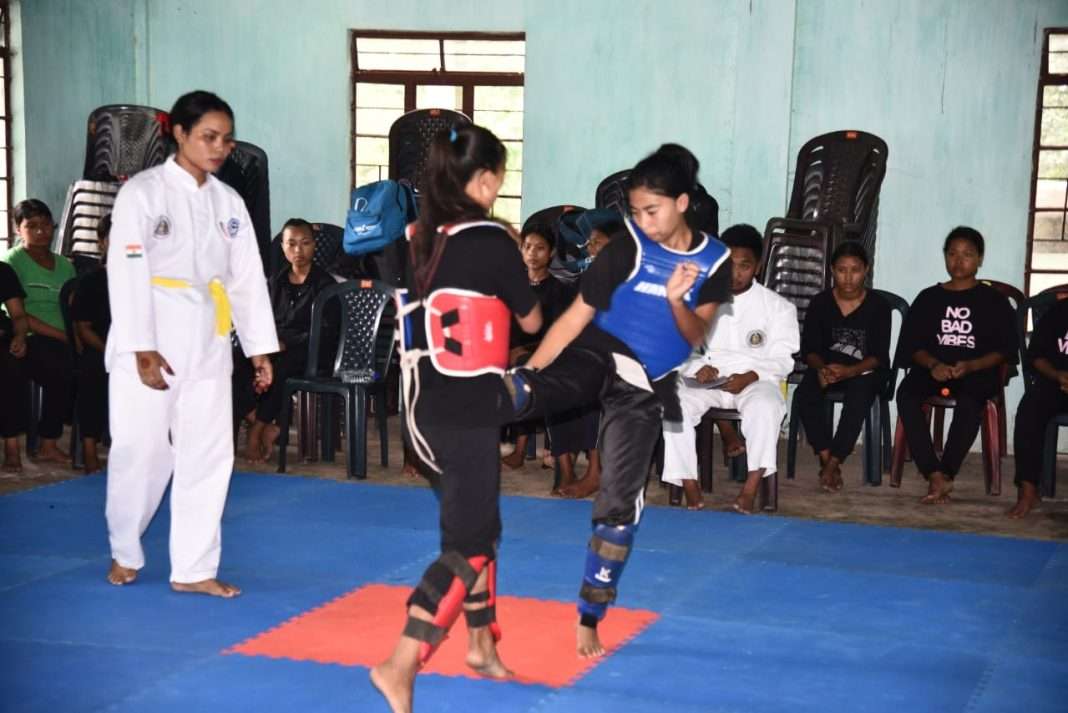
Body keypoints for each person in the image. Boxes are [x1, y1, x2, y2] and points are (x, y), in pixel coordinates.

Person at [506, 144, 731, 658]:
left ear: (682, 202)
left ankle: (590, 612)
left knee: (619, 508)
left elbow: (696, 335)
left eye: (651, 210)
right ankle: (483, 398)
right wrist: (530, 373)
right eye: (635, 211)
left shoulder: (713, 261)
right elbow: (574, 317)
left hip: (646, 383)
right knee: (542, 385)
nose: (642, 220)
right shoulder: (625, 247)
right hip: (598, 353)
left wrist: (677, 298)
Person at [371, 124, 542, 713]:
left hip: (418, 408)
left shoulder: (415, 235)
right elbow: (533, 321)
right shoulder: (490, 239)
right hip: (466, 407)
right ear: (487, 179)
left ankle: (480, 646)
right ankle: (401, 663)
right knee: (470, 542)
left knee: (477, 528)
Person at [104, 90, 278, 597]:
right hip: (153, 325)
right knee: (142, 450)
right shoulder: (143, 192)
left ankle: (194, 567)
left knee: (209, 452)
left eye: (226, 139)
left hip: (207, 331)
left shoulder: (229, 202)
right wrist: (141, 344)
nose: (220, 147)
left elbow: (245, 278)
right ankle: (125, 550)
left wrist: (258, 348)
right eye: (208, 136)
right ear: (178, 134)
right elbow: (128, 269)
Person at [661, 224, 799, 512]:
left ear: (758, 267)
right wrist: (697, 367)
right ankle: (689, 484)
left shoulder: (778, 307)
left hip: (756, 379)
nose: (735, 274)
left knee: (766, 407)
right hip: (707, 381)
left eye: (744, 266)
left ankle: (750, 488)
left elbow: (784, 360)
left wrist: (751, 375)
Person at [894, 226, 1018, 504]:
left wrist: (972, 365)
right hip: (933, 368)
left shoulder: (994, 301)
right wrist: (934, 363)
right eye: (952, 254)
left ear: (980, 259)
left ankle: (947, 471)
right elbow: (911, 347)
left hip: (976, 370)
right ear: (945, 257)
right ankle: (932, 472)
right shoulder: (928, 298)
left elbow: (1005, 350)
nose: (958, 261)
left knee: (971, 401)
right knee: (907, 395)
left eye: (967, 255)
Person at [233, 218, 337, 463]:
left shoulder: (326, 285)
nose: (298, 250)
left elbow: (326, 332)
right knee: (234, 358)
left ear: (314, 245)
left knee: (282, 365)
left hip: (312, 352)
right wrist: (265, 343)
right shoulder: (274, 283)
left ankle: (257, 430)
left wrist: (285, 342)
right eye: (291, 244)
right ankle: (259, 420)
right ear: (282, 246)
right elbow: (258, 320)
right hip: (273, 347)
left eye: (305, 243)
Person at [793, 241, 891, 492]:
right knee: (805, 394)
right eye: (841, 270)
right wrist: (822, 369)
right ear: (832, 270)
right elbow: (809, 350)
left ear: (866, 270)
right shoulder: (820, 302)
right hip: (827, 369)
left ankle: (833, 461)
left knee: (859, 397)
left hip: (865, 372)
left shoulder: (879, 306)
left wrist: (850, 371)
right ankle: (828, 460)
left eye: (855, 270)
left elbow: (879, 355)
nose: (848, 277)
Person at [2, 199, 76, 465]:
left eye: (46, 225)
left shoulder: (65, 265)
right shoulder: (11, 262)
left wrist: (74, 335)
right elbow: (19, 314)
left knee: (79, 362)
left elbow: (72, 307)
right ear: (18, 230)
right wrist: (62, 336)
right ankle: (45, 441)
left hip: (62, 336)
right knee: (61, 364)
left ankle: (49, 443)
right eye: (31, 226)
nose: (41, 231)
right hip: (30, 337)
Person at [501, 224, 576, 475]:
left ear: (552, 253)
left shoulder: (559, 290)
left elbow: (555, 333)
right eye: (527, 247)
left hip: (541, 353)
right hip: (506, 351)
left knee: (523, 371)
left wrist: (522, 349)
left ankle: (521, 450)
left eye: (540, 248)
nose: (532, 253)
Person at [1009, 295, 1068, 518]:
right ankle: (1028, 491)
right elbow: (1036, 357)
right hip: (1057, 383)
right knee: (1029, 409)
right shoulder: (1059, 312)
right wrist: (1057, 375)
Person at [70, 214, 114, 473]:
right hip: (100, 347)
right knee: (93, 370)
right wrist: (111, 351)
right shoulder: (91, 282)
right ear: (101, 242)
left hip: (140, 351)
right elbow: (83, 329)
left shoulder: (146, 280)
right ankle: (88, 447)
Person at [0, 259, 29, 473]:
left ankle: (11, 446)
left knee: (9, 362)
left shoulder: (3, 270)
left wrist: (20, 336)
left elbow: (18, 315)